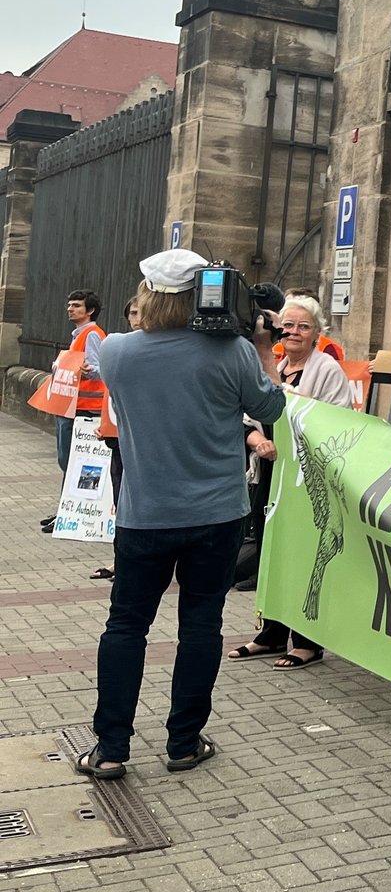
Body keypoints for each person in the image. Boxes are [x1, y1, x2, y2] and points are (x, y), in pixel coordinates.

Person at [74, 250, 286, 779]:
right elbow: (272, 409)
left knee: (125, 626)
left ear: (147, 295)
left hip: (144, 514)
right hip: (216, 516)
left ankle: (111, 748)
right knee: (200, 625)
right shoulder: (233, 351)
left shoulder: (120, 351)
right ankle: (184, 743)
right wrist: (260, 346)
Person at [226, 295, 354, 669]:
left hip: (306, 480)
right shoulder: (272, 364)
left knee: (303, 553)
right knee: (271, 550)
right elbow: (247, 416)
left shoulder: (326, 369)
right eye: (289, 325)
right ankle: (271, 631)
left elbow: (334, 420)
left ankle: (308, 640)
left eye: (304, 326)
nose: (294, 332)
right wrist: (257, 440)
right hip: (270, 472)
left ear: (317, 333)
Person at [43, 289, 107, 533]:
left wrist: (83, 370)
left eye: (77, 305)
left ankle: (70, 513)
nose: (71, 309)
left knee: (74, 461)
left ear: (90, 310)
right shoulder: (79, 334)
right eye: (70, 305)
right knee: (67, 460)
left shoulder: (92, 334)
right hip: (71, 406)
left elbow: (99, 369)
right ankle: (65, 509)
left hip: (84, 408)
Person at [88, 298, 142, 582]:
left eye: (142, 311)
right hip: (118, 440)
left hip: (145, 441)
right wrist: (105, 424)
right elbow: (110, 392)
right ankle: (121, 560)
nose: (137, 317)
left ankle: (131, 564)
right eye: (132, 312)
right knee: (121, 501)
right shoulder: (119, 347)